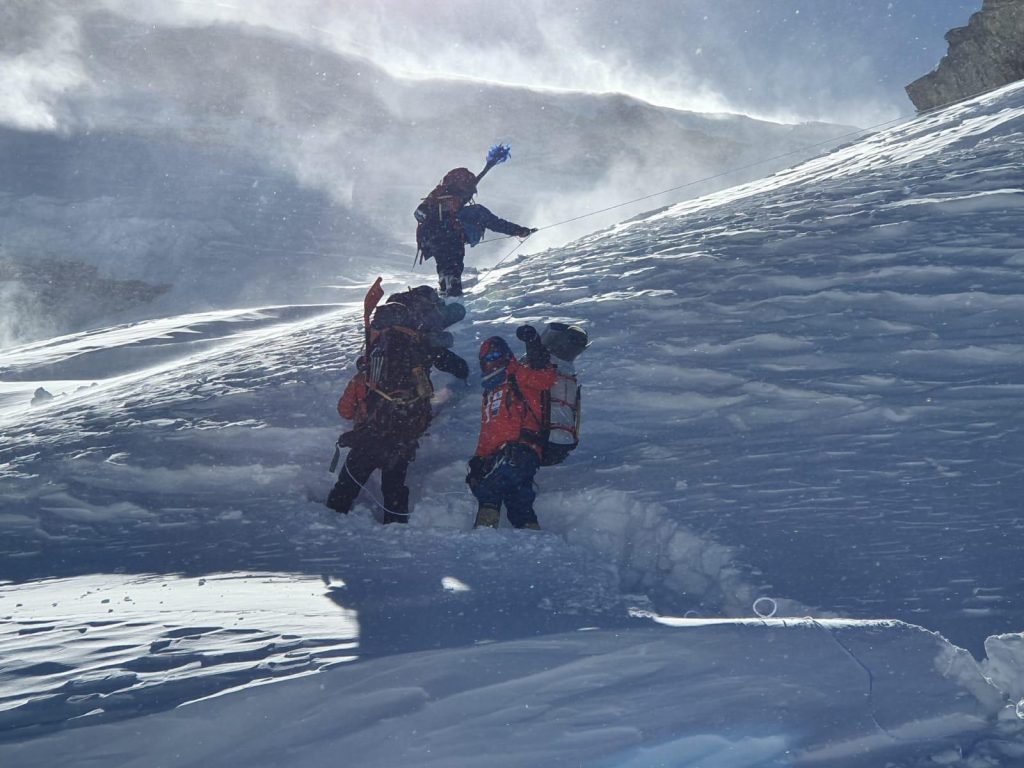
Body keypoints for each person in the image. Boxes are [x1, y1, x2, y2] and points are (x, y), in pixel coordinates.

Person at [327, 286, 469, 524]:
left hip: (370, 438)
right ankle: (396, 528)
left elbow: (345, 410)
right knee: (394, 487)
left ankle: (330, 521)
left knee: (348, 484)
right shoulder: (419, 349)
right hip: (403, 437)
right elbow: (453, 366)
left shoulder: (370, 371)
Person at [466, 325, 557, 529]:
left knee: (490, 488)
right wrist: (479, 460)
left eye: (498, 355)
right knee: (519, 501)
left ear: (507, 355)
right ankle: (533, 543)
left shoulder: (519, 375)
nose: (494, 361)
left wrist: (533, 343)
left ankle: (482, 537)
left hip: (523, 449)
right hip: (500, 454)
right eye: (488, 359)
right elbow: (488, 432)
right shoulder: (489, 393)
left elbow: (545, 377)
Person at [414, 167, 536, 298]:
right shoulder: (472, 209)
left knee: (444, 266)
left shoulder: (437, 196)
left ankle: (446, 292)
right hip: (452, 236)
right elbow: (494, 222)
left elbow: (418, 214)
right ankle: (453, 295)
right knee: (453, 266)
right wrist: (518, 230)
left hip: (431, 239)